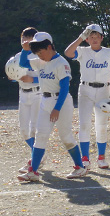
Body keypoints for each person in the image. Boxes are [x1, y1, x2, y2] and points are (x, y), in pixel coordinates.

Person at [17, 32, 88, 181]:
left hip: (61, 102)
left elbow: (64, 88)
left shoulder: (61, 63)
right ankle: (33, 171)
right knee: (40, 135)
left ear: (49, 47)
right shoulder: (40, 61)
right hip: (45, 101)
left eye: (41, 52)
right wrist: (25, 49)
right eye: (37, 53)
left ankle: (80, 167)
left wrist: (57, 108)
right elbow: (23, 63)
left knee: (66, 136)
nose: (39, 56)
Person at [64, 24, 110, 169]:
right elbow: (68, 53)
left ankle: (101, 157)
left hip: (104, 90)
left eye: (97, 36)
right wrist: (80, 37)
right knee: (84, 124)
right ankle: (85, 158)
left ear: (102, 38)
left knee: (101, 125)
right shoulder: (82, 51)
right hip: (86, 89)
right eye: (91, 36)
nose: (94, 39)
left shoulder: (109, 53)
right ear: (87, 39)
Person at [11, 27, 42, 173]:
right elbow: (16, 74)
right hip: (23, 94)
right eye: (23, 37)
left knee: (34, 129)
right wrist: (12, 77)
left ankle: (36, 159)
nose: (25, 40)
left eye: (28, 38)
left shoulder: (39, 55)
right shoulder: (18, 56)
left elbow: (47, 77)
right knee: (24, 130)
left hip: (37, 93)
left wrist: (33, 79)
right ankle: (39, 155)